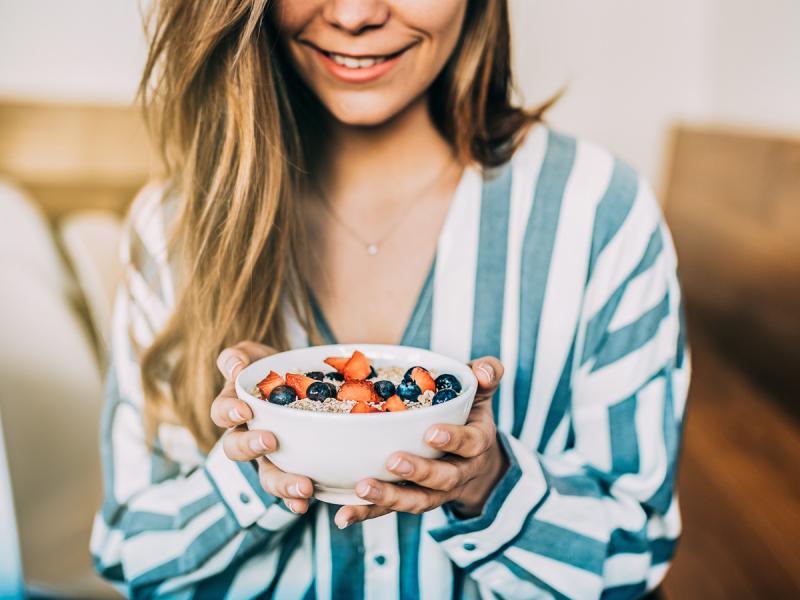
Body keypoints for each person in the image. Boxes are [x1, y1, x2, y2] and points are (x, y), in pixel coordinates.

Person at [91, 1, 690, 598]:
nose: (353, 15)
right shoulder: (175, 226)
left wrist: (487, 484)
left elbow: (635, 556)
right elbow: (131, 552)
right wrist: (253, 466)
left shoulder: (599, 213)